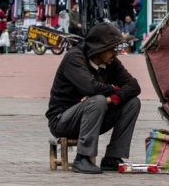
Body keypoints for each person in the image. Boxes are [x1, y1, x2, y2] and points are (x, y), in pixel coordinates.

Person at [46, 22, 141, 174]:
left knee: (132, 103)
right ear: (100, 48)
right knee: (97, 100)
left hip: (94, 116)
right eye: (113, 49)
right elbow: (89, 87)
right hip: (62, 119)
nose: (116, 53)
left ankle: (113, 157)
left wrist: (111, 98)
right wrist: (114, 89)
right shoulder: (74, 57)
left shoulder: (111, 63)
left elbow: (134, 86)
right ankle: (82, 158)